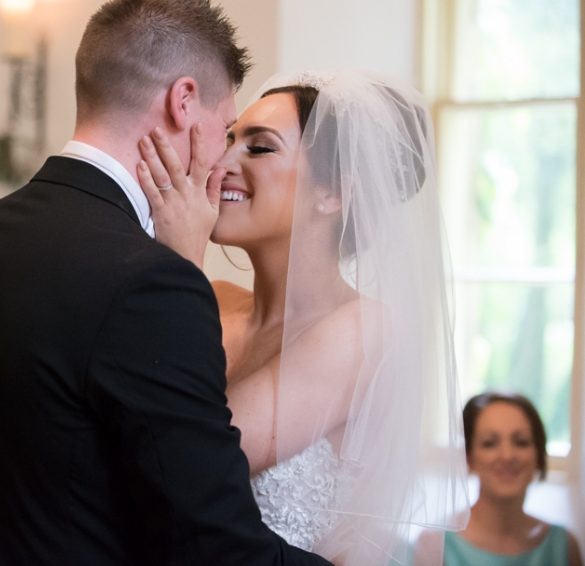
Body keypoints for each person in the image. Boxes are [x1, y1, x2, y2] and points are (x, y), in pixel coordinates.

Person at [0, 0, 330, 565]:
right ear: (184, 102)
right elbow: (211, 544)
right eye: (224, 125)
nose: (222, 159)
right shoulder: (152, 285)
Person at [137, 70, 468, 563]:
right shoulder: (211, 299)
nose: (220, 162)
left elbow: (190, 461)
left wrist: (179, 261)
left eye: (260, 147)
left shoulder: (363, 332)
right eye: (229, 140)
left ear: (333, 193)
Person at [414, 393, 582, 566]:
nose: (507, 456)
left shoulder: (564, 546)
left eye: (521, 442)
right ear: (469, 456)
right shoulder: (434, 544)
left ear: (538, 454)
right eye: (489, 443)